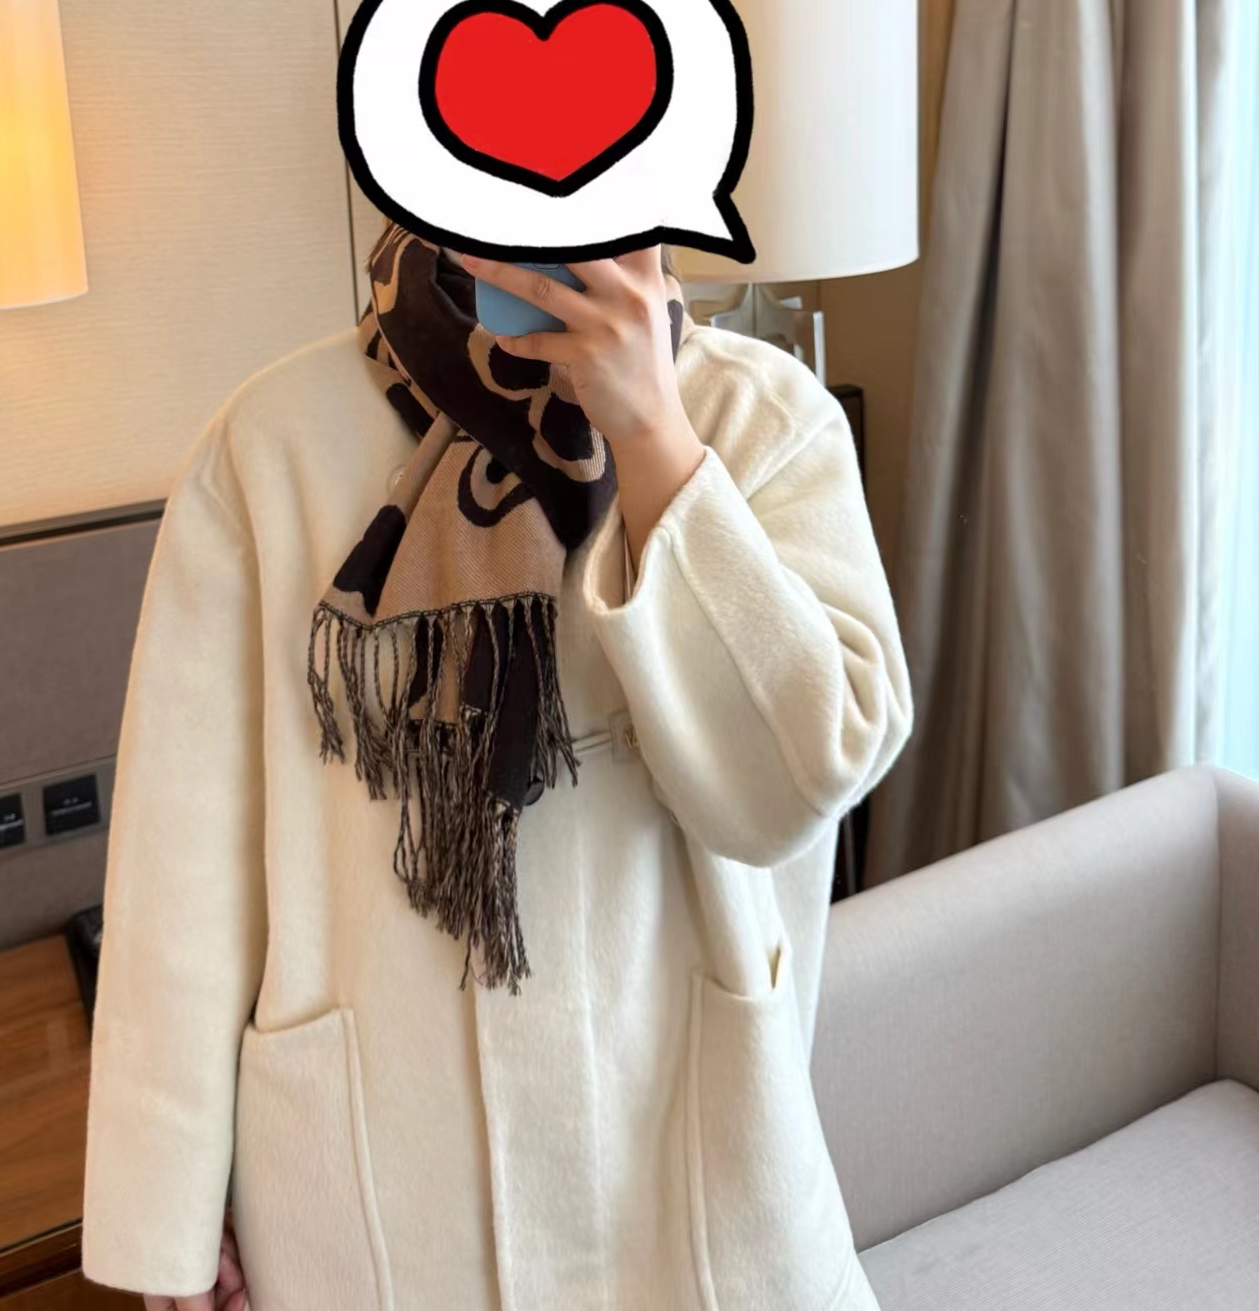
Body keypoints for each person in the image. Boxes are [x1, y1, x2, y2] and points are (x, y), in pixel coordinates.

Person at [80, 225, 913, 1311]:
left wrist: (656, 440)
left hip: (696, 1166)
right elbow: (183, 869)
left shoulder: (763, 419)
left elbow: (794, 787)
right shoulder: (271, 445)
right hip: (382, 1196)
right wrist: (172, 1222)